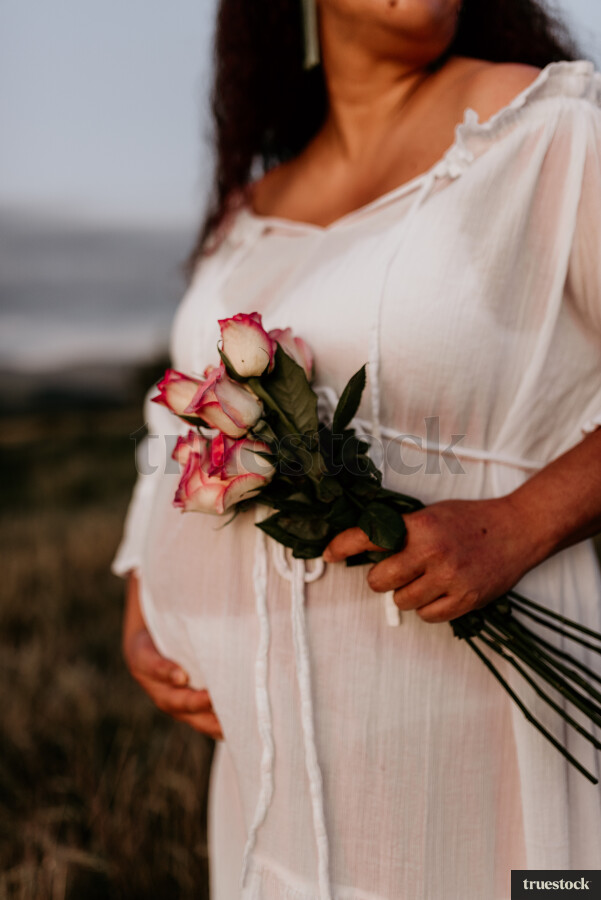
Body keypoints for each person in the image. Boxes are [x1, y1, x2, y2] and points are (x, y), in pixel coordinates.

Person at [113, 1, 601, 897]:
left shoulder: (546, 130)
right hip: (267, 765)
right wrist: (146, 591)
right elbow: (171, 426)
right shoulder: (245, 213)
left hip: (460, 740)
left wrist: (524, 520)